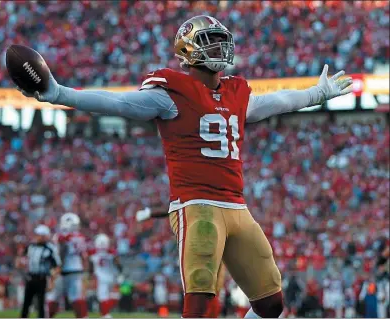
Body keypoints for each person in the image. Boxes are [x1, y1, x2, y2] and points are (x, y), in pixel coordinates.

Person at [18, 15, 353, 318]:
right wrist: (60, 93)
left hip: (237, 206)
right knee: (199, 304)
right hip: (197, 206)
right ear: (189, 48)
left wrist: (315, 94)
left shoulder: (236, 91)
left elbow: (276, 102)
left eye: (222, 40)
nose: (221, 47)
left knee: (271, 304)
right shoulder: (171, 91)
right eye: (211, 40)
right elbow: (117, 102)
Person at [46, 213, 88, 318]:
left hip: (64, 270)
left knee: (54, 296)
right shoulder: (80, 236)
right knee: (76, 297)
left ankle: (47, 316)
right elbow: (84, 256)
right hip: (77, 269)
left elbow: (62, 251)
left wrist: (58, 267)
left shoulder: (61, 236)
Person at [20, 225, 61, 318]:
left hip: (42, 279)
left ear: (45, 236)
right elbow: (22, 258)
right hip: (30, 278)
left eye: (39, 235)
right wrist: (20, 263)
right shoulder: (31, 246)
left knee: (41, 305)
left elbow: (57, 266)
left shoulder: (50, 248)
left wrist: (52, 281)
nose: (37, 237)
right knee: (26, 303)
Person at [89, 233, 122, 318]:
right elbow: (118, 264)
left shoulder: (93, 252)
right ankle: (105, 313)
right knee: (111, 296)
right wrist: (120, 272)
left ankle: (105, 314)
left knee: (103, 297)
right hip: (111, 276)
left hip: (100, 277)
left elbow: (91, 265)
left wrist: (90, 275)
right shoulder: (112, 252)